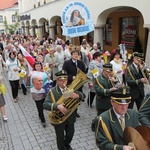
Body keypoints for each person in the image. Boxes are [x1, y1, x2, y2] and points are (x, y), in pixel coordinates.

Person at [43, 70, 85, 150]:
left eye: (65, 80)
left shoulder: (71, 88)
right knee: (60, 137)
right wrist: (57, 106)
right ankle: (62, 147)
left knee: (70, 134)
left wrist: (77, 95)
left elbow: (83, 95)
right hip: (59, 119)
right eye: (61, 80)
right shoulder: (52, 91)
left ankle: (67, 144)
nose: (63, 82)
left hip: (70, 117)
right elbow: (45, 104)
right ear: (57, 80)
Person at [63, 49, 86, 117]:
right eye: (74, 54)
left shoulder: (80, 63)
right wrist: (71, 77)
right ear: (71, 55)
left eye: (77, 54)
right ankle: (68, 110)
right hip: (70, 83)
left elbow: (84, 72)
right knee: (70, 97)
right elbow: (64, 72)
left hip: (79, 84)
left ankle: (75, 111)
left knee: (77, 98)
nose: (76, 55)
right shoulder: (67, 63)